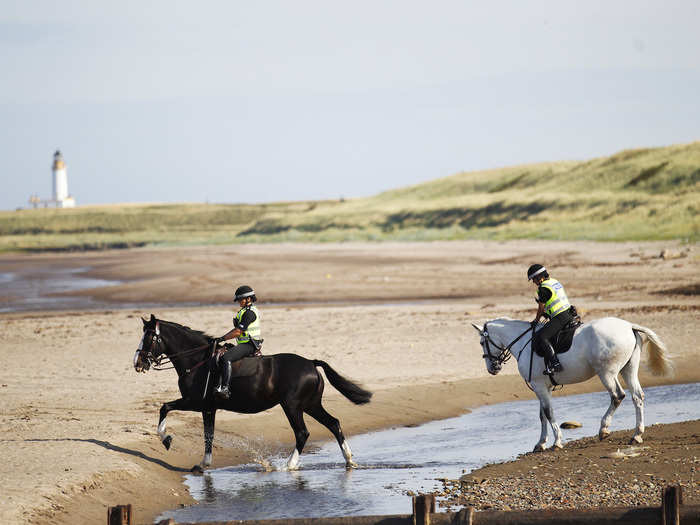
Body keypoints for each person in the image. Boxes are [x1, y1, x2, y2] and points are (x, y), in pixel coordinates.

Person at [214, 285, 262, 399]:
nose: (239, 302)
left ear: (249, 299)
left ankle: (225, 388)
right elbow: (236, 330)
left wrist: (222, 338)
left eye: (241, 300)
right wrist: (222, 339)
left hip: (250, 345)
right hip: (244, 344)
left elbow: (238, 331)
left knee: (226, 358)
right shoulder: (244, 310)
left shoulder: (249, 313)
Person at [527, 264, 573, 375]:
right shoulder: (554, 282)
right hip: (569, 312)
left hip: (560, 317)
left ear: (539, 277)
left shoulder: (543, 288)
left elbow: (541, 307)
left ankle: (555, 363)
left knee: (543, 337)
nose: (533, 282)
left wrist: (536, 320)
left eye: (533, 279)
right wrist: (547, 314)